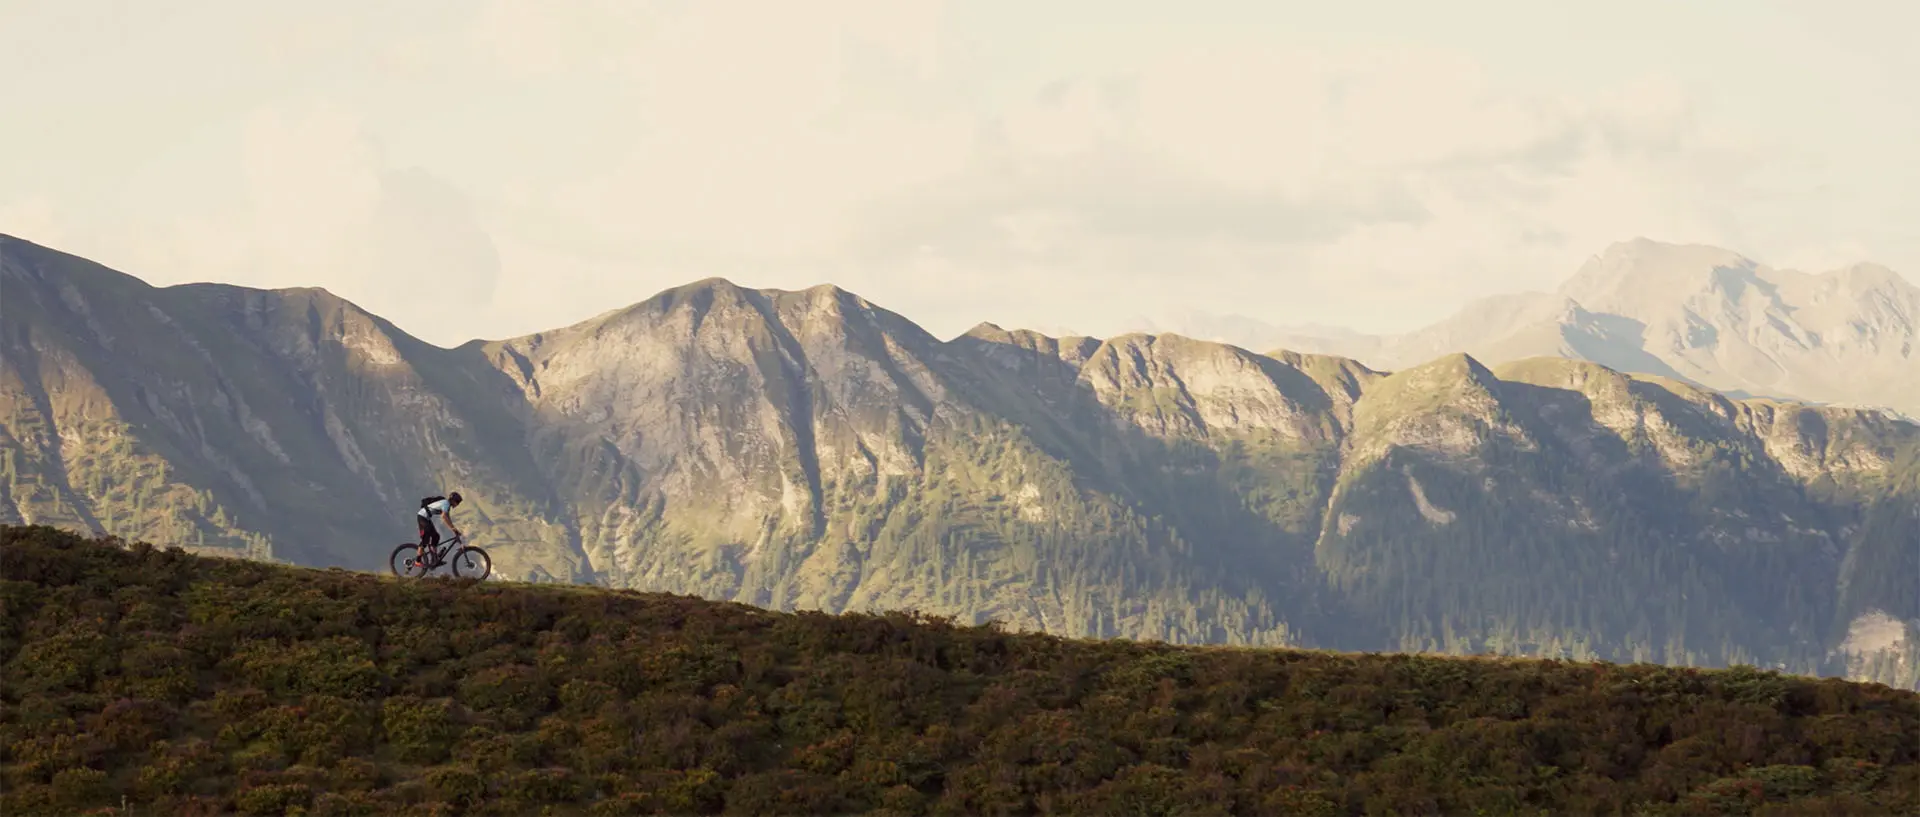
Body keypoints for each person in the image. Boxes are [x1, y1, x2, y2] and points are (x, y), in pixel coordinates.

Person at [417, 491, 463, 564]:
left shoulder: (447, 505)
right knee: (425, 539)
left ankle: (434, 559)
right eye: (457, 502)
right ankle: (418, 561)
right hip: (422, 517)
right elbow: (444, 516)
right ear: (453, 500)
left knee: (436, 537)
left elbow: (448, 518)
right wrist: (453, 528)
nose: (457, 504)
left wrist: (454, 529)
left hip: (426, 518)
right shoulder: (446, 504)